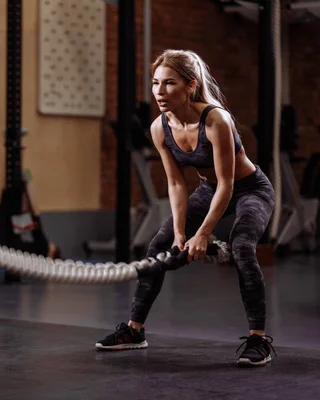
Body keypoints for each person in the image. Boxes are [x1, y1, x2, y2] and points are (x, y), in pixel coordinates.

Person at [95, 49, 277, 367]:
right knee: (159, 245)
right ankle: (135, 331)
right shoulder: (158, 128)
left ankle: (258, 340)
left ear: (190, 86)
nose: (160, 92)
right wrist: (181, 232)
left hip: (250, 189)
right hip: (208, 190)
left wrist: (203, 233)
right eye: (155, 83)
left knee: (243, 245)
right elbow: (177, 184)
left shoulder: (216, 120)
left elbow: (227, 183)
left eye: (169, 83)